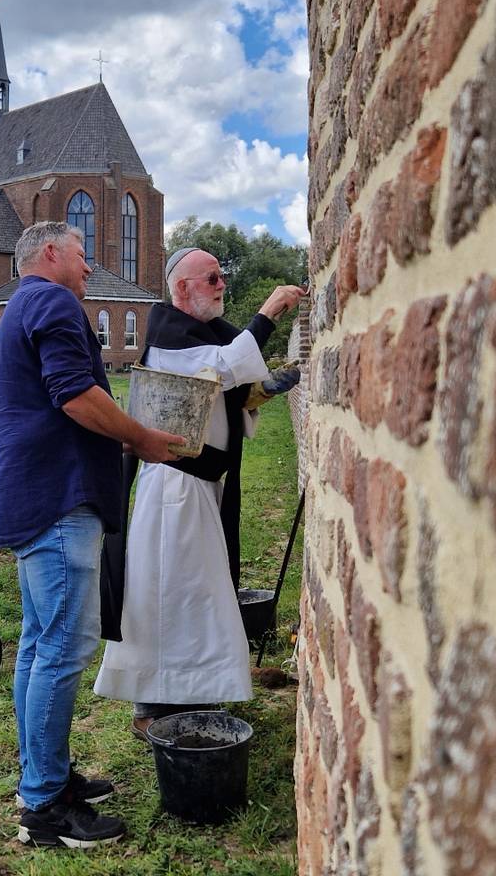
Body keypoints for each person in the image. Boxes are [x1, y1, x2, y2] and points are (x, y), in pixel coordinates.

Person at [0, 221, 183, 849]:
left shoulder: (23, 306)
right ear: (49, 254)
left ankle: (43, 780)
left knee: (39, 643)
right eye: (80, 253)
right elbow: (74, 395)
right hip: (59, 495)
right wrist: (142, 438)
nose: (88, 267)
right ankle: (44, 807)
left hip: (35, 495)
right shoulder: (51, 300)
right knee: (64, 647)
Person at [93, 248, 304, 740]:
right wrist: (268, 313)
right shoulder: (169, 334)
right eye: (211, 278)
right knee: (167, 595)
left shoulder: (199, 337)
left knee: (196, 596)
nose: (221, 284)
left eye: (221, 276)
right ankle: (150, 707)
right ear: (182, 288)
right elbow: (225, 369)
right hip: (174, 490)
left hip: (196, 488)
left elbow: (222, 389)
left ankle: (195, 692)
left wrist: (262, 392)